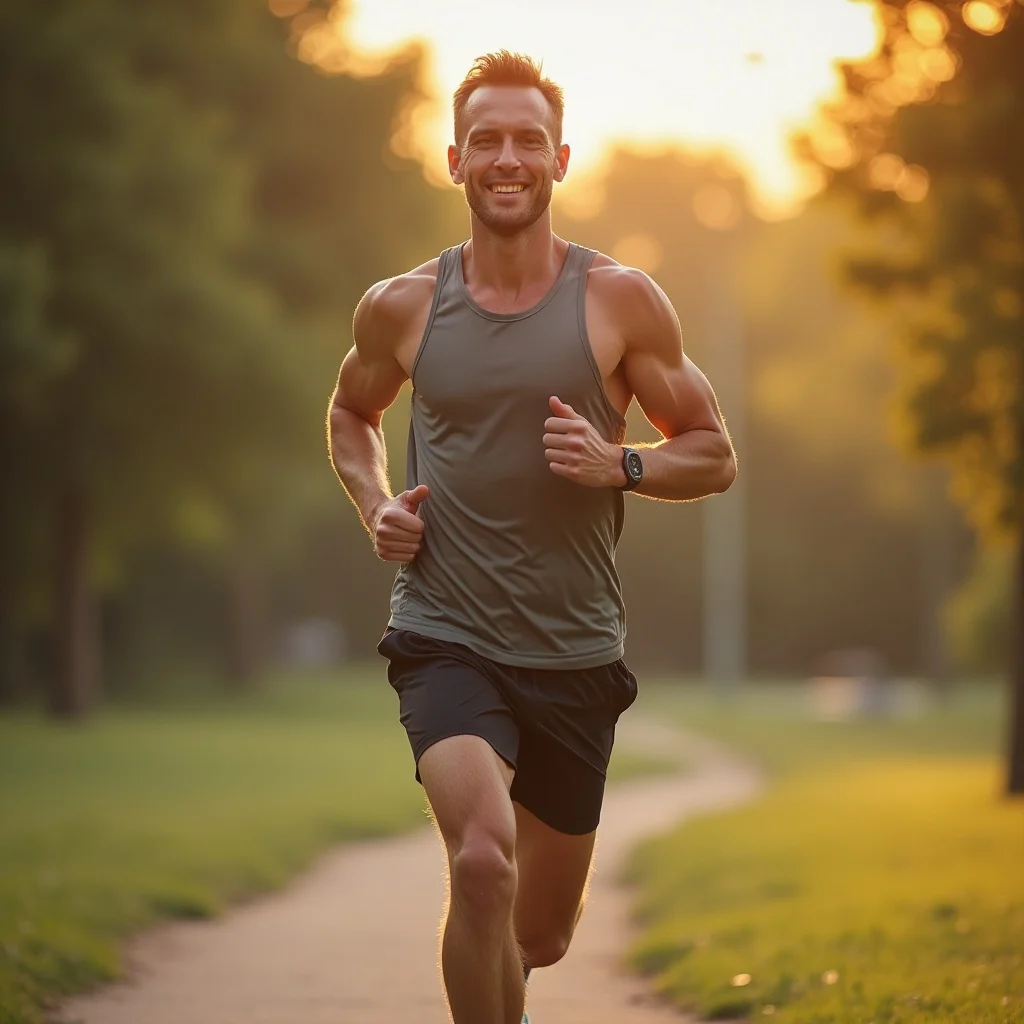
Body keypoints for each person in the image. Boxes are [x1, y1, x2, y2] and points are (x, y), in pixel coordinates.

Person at [327, 49, 736, 1024]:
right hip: (444, 630)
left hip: (574, 649)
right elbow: (349, 415)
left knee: (536, 934)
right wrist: (374, 503)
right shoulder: (403, 306)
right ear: (454, 160)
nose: (506, 157)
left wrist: (621, 462)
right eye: (485, 139)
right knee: (479, 860)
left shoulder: (619, 300)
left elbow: (714, 453)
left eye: (526, 140)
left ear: (559, 158)